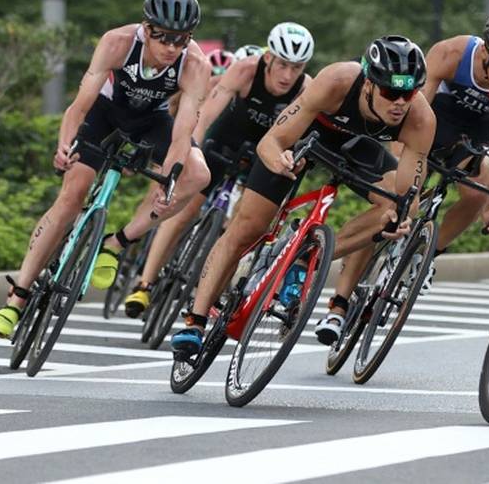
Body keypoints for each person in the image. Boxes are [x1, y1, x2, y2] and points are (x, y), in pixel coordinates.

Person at [170, 36, 435, 356]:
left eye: (409, 93)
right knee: (248, 227)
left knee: (402, 207)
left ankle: (313, 254)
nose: (400, 103)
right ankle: (195, 321)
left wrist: (398, 216)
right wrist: (277, 160)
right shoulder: (337, 81)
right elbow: (272, 140)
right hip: (307, 136)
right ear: (368, 83)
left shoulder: (420, 119)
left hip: (357, 148)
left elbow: (410, 190)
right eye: (391, 92)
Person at [314, 13, 489, 344]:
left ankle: (426, 254)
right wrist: (397, 175)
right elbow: (407, 113)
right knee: (392, 206)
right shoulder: (452, 53)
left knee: (483, 184)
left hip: (471, 136)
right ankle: (338, 306)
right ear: (485, 52)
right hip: (427, 121)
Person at [0, 0, 213, 338]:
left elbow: (182, 132)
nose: (172, 48)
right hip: (104, 114)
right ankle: (17, 297)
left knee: (198, 174)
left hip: (151, 121)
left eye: (182, 39)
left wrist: (168, 180)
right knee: (72, 195)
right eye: (164, 38)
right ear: (146, 29)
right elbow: (79, 105)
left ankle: (116, 244)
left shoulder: (195, 65)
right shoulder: (117, 42)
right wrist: (64, 144)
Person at [122, 22, 315, 318]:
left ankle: (211, 292)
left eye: (297, 67)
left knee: (243, 220)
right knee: (183, 210)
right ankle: (145, 283)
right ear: (269, 59)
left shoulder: (306, 88)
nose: (288, 75)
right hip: (222, 141)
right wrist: (189, 151)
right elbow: (207, 114)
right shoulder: (245, 70)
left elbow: (302, 136)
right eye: (283, 65)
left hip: (264, 153)